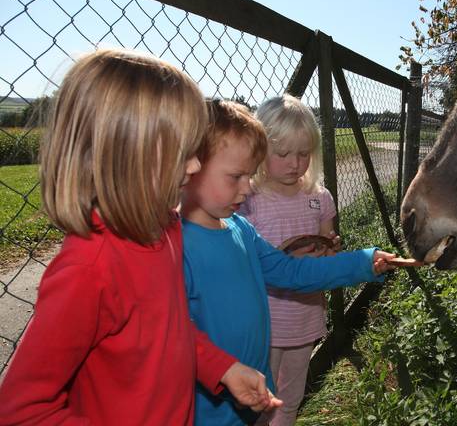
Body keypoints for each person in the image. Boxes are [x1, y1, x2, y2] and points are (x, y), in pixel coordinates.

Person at [0, 49, 280, 425]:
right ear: (130, 155)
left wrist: (223, 368)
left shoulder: (164, 231)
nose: (196, 166)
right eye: (185, 153)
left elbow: (170, 331)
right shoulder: (88, 268)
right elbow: (21, 411)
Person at [180, 99, 408, 426]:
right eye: (236, 177)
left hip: (252, 394)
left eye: (249, 175)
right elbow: (172, 333)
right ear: (190, 166)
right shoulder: (174, 246)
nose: (247, 189)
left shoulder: (240, 229)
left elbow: (292, 272)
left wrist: (362, 262)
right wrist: (223, 369)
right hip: (209, 407)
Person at [240, 95, 339, 426]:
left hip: (305, 316)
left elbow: (327, 245)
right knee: (258, 397)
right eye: (282, 154)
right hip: (264, 321)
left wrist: (328, 251)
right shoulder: (248, 200)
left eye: (303, 154)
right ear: (259, 151)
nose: (295, 163)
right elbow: (239, 260)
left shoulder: (318, 197)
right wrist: (282, 259)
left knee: (291, 396)